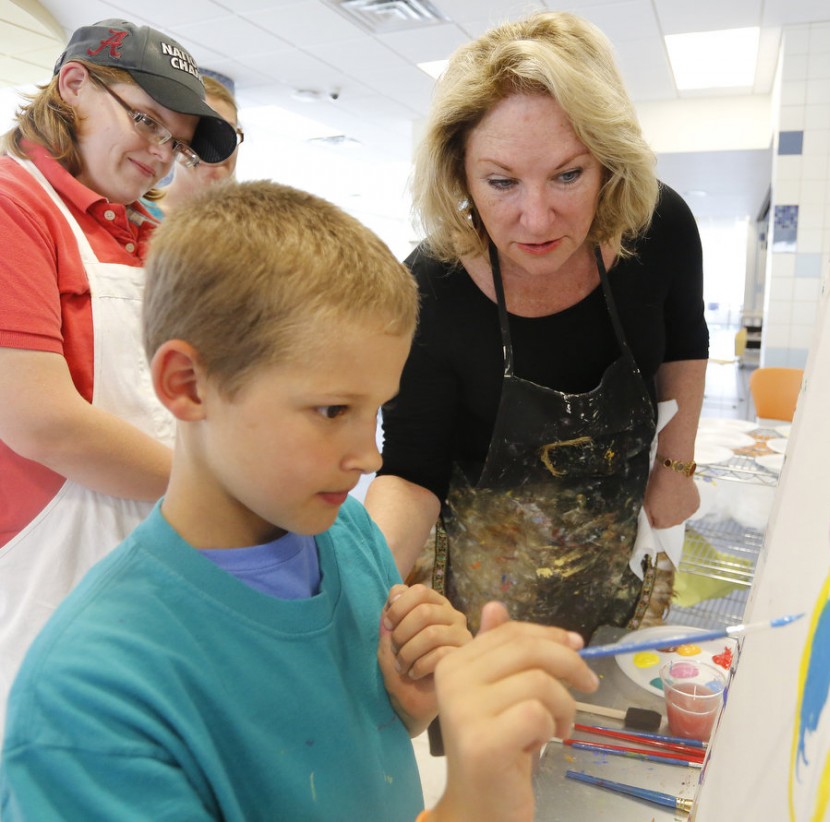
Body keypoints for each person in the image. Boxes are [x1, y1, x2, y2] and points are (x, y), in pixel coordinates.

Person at [0, 180, 599, 821]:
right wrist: (475, 805)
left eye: (375, 411)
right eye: (333, 409)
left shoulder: (349, 538)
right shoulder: (95, 698)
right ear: (187, 385)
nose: (369, 457)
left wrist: (402, 705)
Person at [365, 11, 709, 641]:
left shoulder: (658, 228)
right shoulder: (430, 291)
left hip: (618, 561)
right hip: (484, 599)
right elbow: (412, 472)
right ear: (459, 174)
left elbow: (686, 342)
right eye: (501, 182)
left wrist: (676, 464)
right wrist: (356, 596)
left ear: (609, 164)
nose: (535, 218)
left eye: (568, 175)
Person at [0, 19, 239, 734]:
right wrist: (221, 490)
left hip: (147, 563)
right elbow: (40, 419)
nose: (160, 154)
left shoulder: (151, 230)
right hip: (41, 575)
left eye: (174, 141)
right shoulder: (16, 208)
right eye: (145, 121)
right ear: (73, 84)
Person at [142, 75, 243, 219]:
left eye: (228, 134)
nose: (216, 148)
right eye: (201, 133)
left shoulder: (257, 223)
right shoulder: (135, 216)